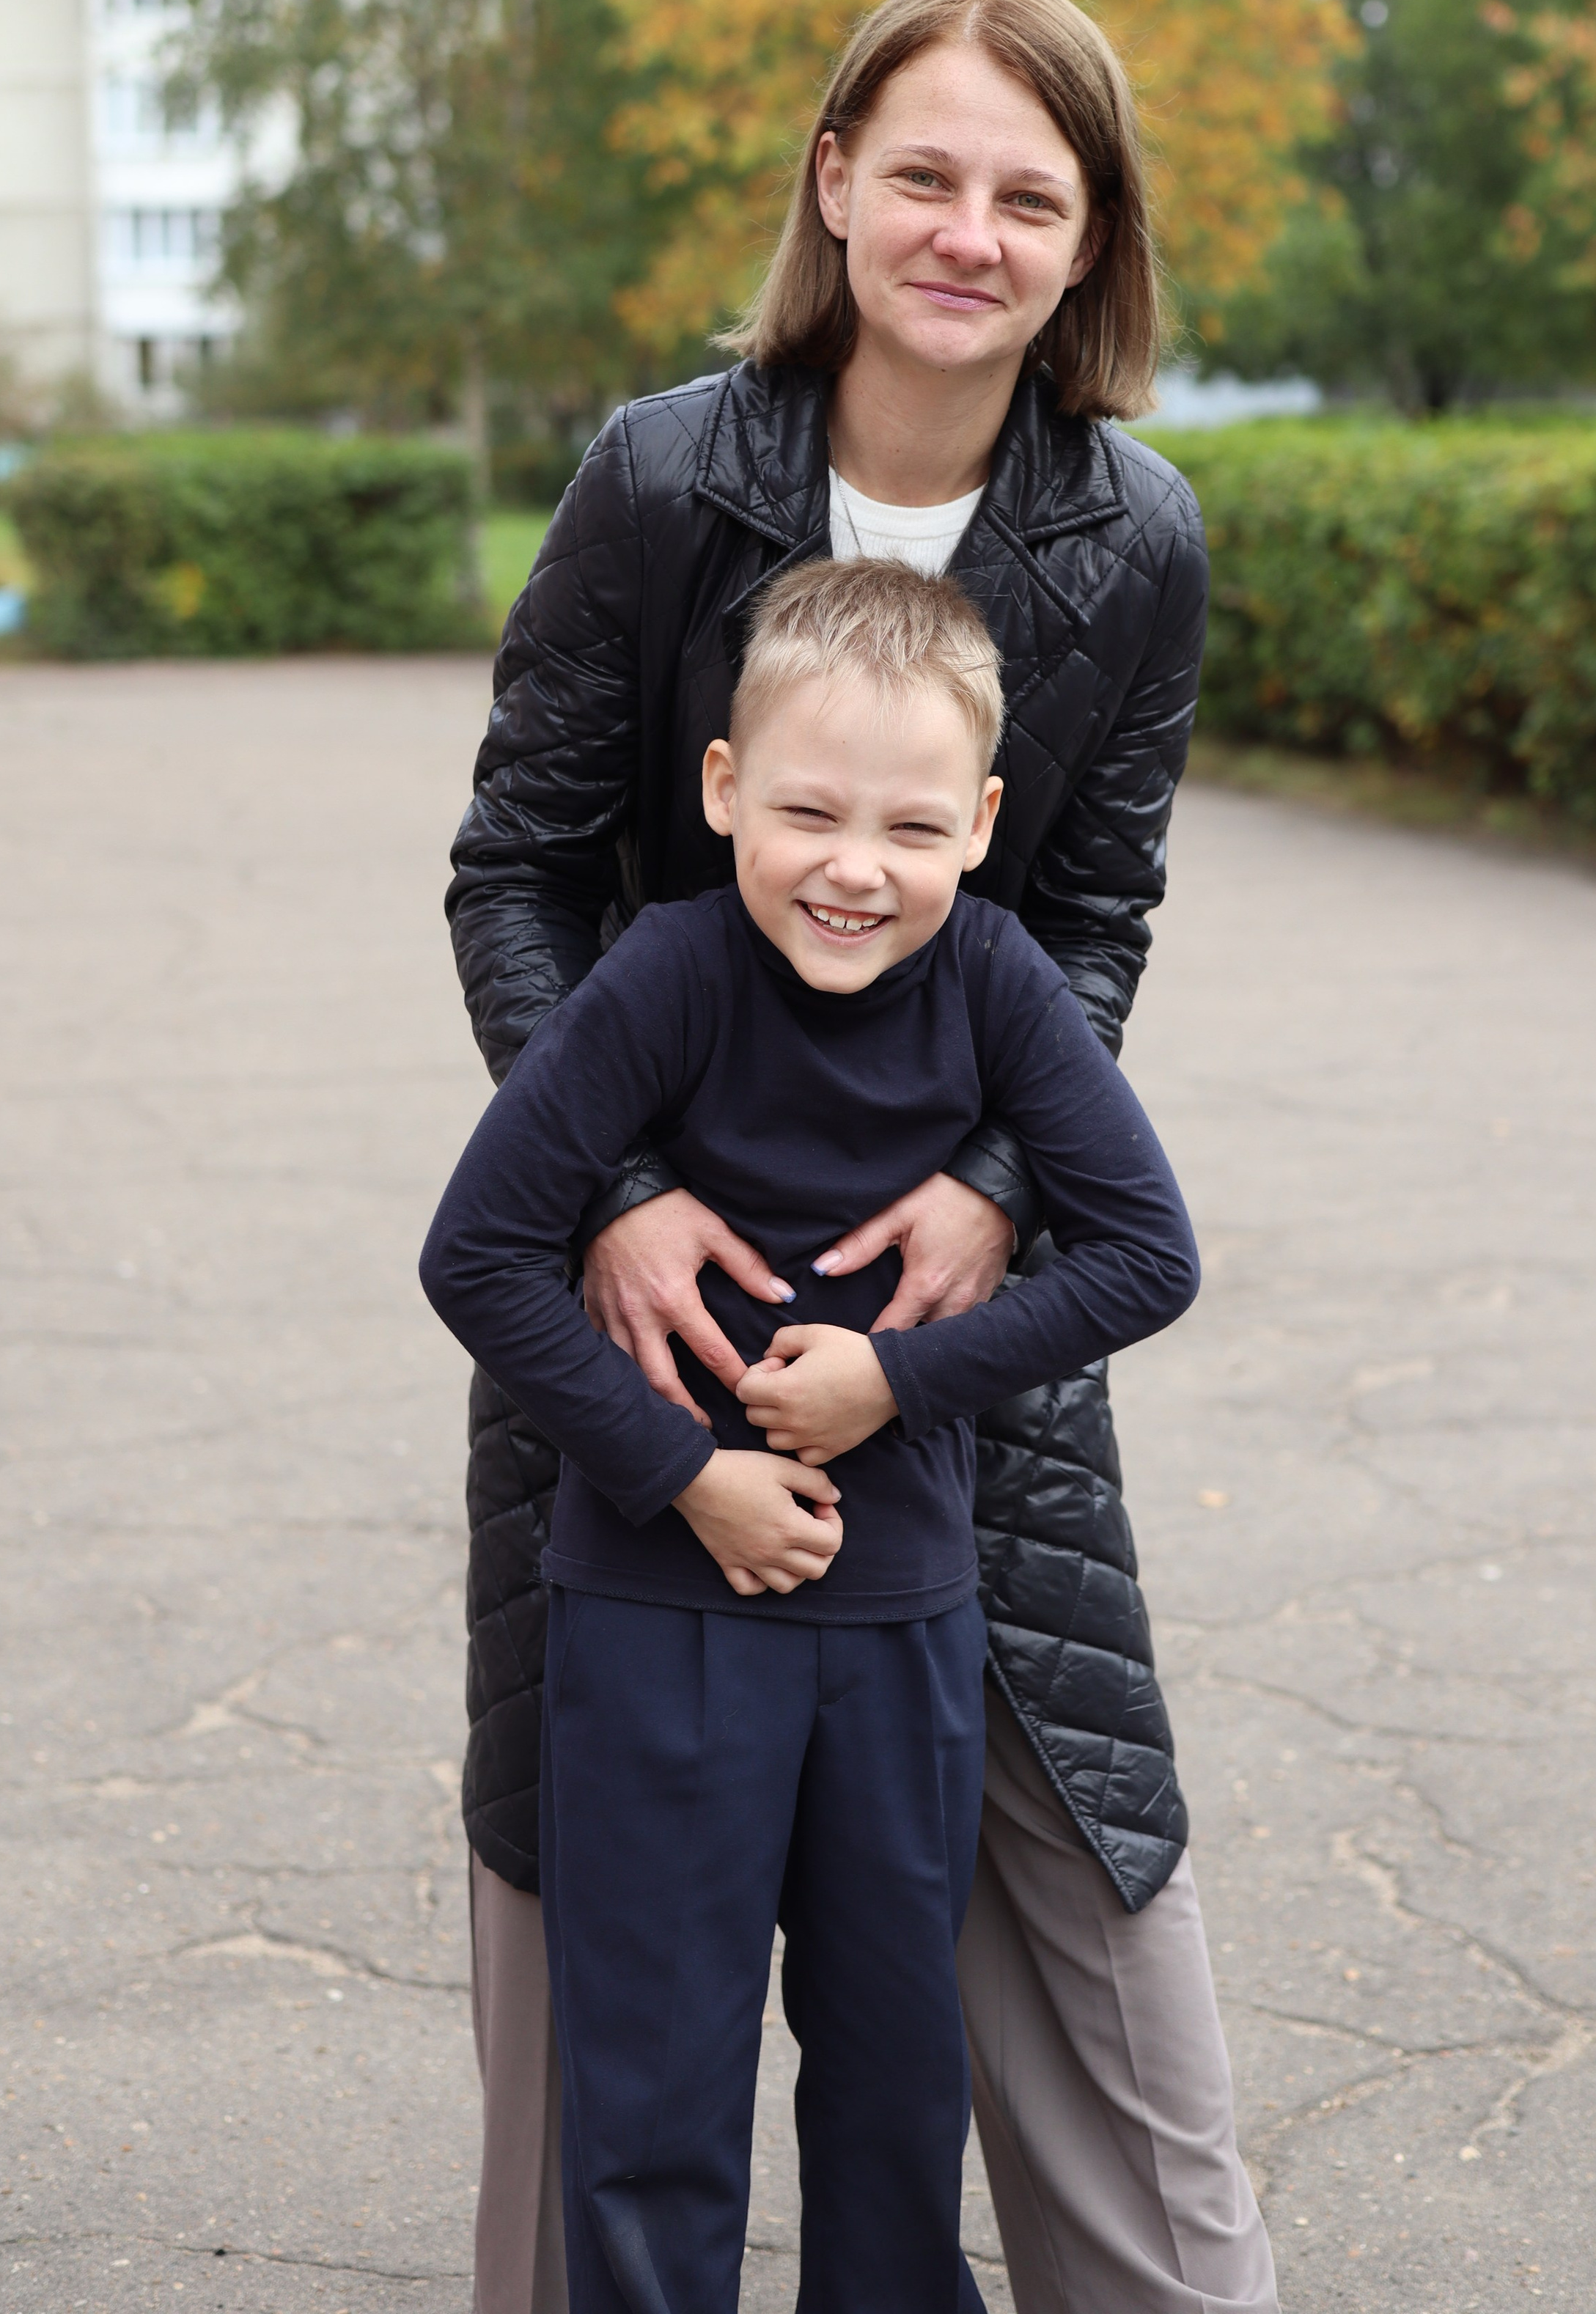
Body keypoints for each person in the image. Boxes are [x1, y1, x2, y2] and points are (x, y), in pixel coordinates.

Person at [449, 0, 1281, 2314]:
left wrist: (1005, 1193)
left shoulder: (1133, 538)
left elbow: (1093, 908)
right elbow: (513, 865)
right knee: (590, 1898)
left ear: (1090, 238)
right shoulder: (659, 477)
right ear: (833, 181)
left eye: (1033, 193)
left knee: (1068, 1862)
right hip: (644, 1287)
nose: (968, 229)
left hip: (953, 1300)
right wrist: (611, 1197)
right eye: (922, 170)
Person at [422, 559, 1202, 2314]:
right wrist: (683, 1473)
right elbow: (473, 1256)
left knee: (893, 2091)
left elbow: (1150, 1256)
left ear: (983, 824)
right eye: (806, 812)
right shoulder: (660, 980)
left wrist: (895, 1384)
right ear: (719, 792)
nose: (856, 866)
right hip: (652, 1616)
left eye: (912, 827)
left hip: (902, 1621)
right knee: (653, 2097)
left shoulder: (997, 984)